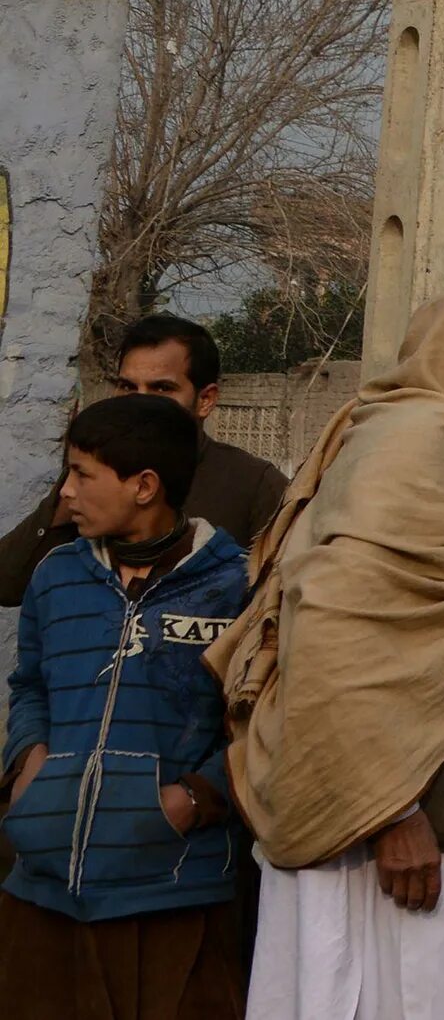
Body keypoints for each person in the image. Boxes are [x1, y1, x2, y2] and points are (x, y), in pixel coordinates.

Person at [209, 272, 444, 1020]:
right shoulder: (411, 455)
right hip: (372, 832)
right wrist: (392, 810)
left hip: (416, 821)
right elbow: (333, 639)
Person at [2, 394, 253, 1020]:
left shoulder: (240, 588)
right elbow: (30, 684)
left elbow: (265, 721)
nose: (66, 492)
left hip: (173, 888)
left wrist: (194, 799)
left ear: (145, 486)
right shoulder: (55, 577)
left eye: (83, 474)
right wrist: (28, 762)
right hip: (44, 887)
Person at [0, 315, 288, 608]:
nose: (138, 404)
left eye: (161, 389)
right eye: (127, 387)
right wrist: (64, 506)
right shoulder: (94, 477)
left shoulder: (254, 485)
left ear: (206, 399)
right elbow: (7, 586)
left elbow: (282, 604)